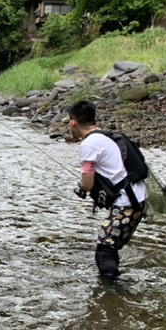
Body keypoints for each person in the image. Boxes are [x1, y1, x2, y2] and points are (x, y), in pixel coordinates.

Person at [68, 100, 146, 279]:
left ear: (73, 122)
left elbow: (87, 184)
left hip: (128, 203)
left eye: (69, 123)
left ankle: (114, 294)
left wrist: (81, 188)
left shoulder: (88, 145)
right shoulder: (106, 136)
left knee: (105, 250)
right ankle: (114, 292)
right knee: (110, 243)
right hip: (138, 198)